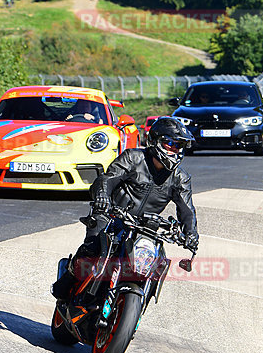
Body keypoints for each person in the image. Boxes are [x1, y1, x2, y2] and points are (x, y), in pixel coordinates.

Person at [52, 117, 199, 300]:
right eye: (169, 143)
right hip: (111, 215)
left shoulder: (180, 178)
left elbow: (187, 209)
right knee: (92, 248)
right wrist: (102, 196)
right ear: (155, 141)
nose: (174, 149)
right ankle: (66, 282)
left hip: (145, 227)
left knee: (155, 262)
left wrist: (191, 234)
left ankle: (136, 299)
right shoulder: (133, 157)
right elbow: (106, 179)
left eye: (178, 145)